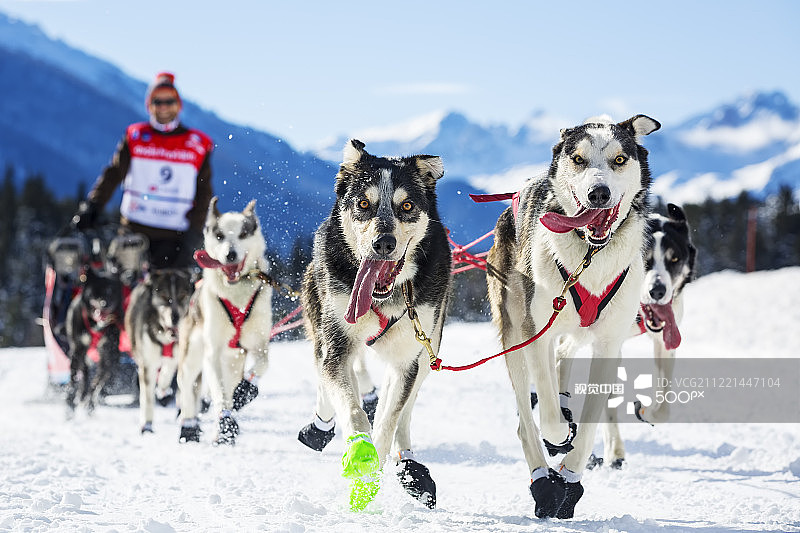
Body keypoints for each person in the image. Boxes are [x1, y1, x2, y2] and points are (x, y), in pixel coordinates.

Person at [74, 72, 214, 269]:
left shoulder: (197, 145)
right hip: (132, 232)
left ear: (179, 105)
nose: (163, 107)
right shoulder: (136, 136)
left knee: (168, 298)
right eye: (157, 101)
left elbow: (204, 193)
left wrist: (194, 235)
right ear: (150, 105)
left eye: (169, 101)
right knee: (123, 295)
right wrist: (93, 206)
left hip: (175, 239)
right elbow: (114, 174)